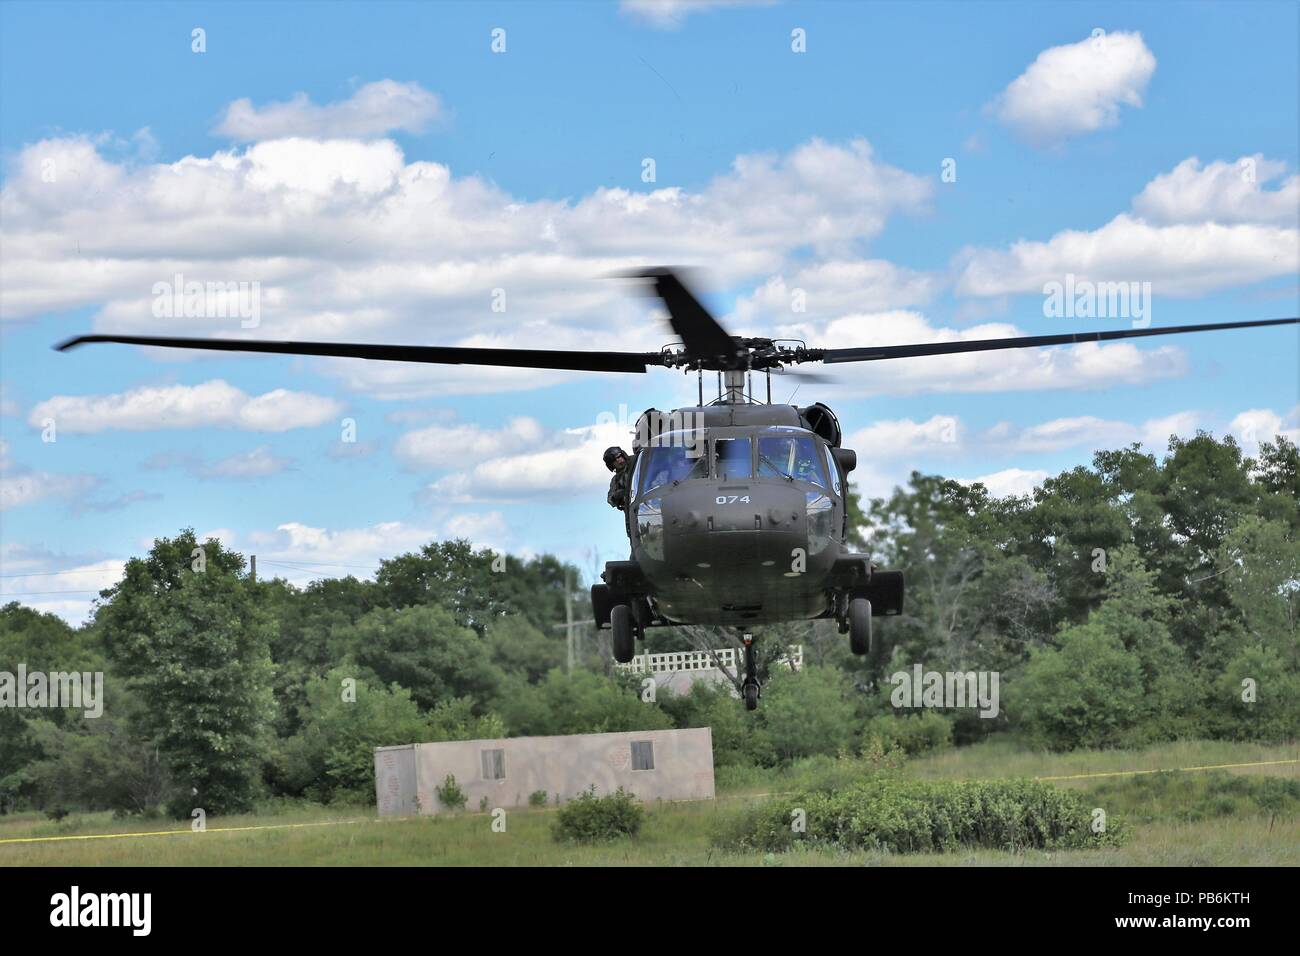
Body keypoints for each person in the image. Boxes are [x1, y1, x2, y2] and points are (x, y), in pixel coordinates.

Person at [604, 446, 633, 510]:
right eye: (614, 460)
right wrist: (617, 496)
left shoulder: (636, 461)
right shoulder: (615, 480)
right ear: (611, 465)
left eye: (618, 457)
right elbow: (610, 499)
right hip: (632, 509)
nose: (618, 460)